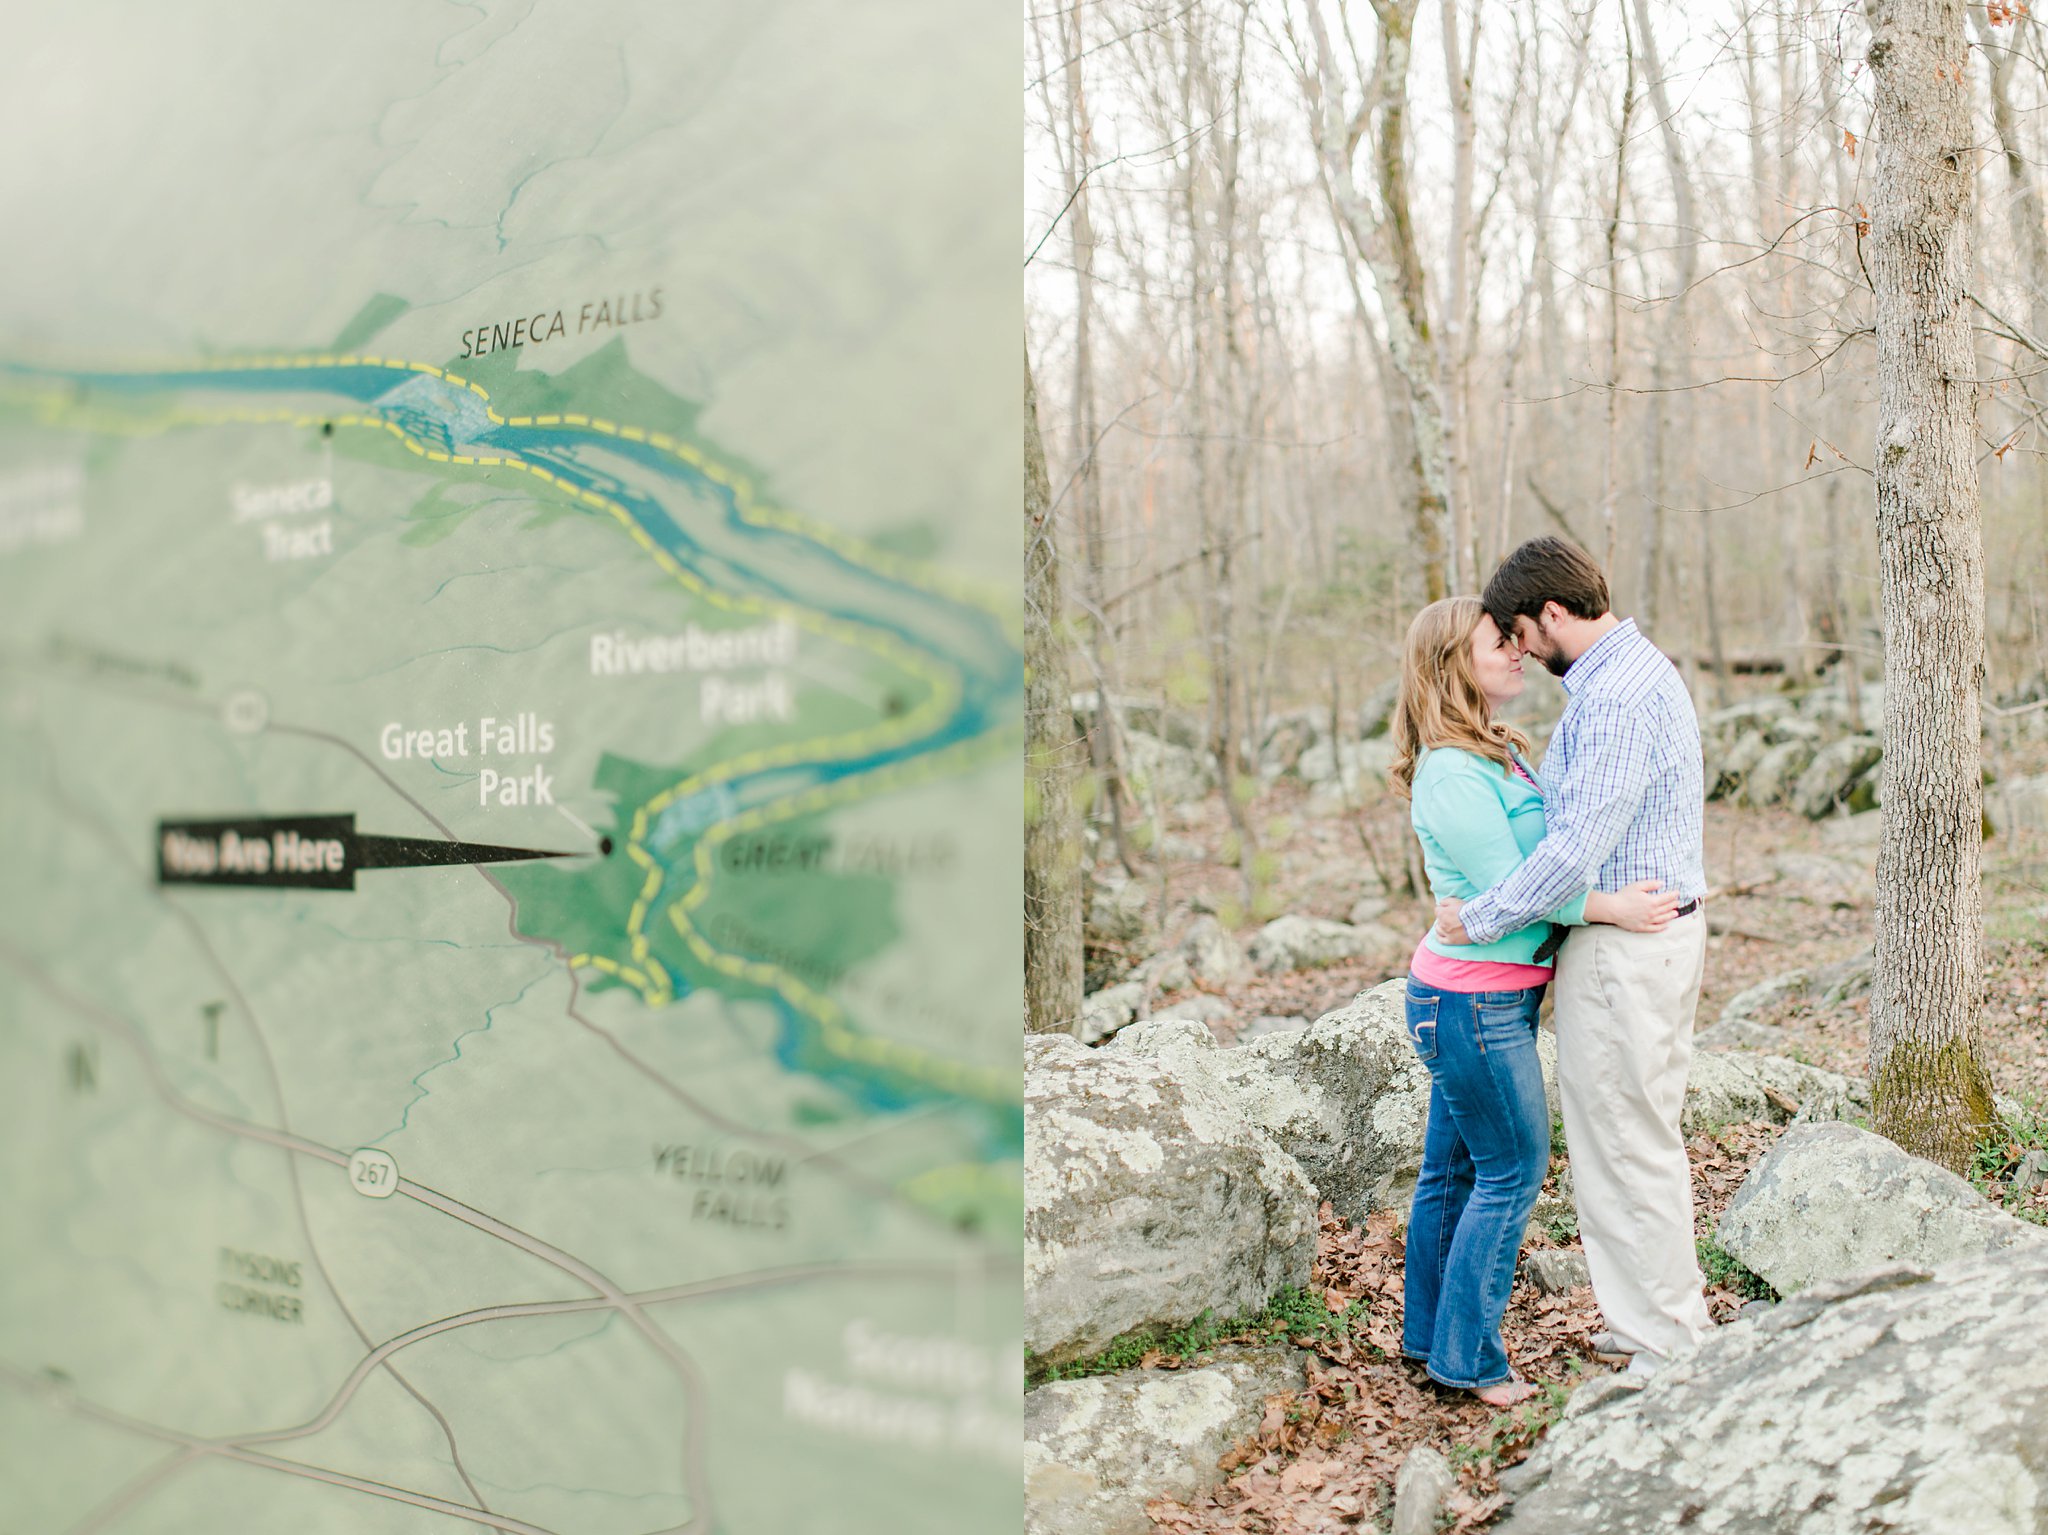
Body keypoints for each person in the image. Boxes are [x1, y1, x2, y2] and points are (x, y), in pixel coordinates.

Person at [1433, 536, 1712, 1379]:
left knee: (1629, 1141)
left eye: (1521, 632)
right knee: (1617, 1137)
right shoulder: (1622, 679)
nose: (1520, 650)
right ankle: (1641, 1320)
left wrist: (1475, 920)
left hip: (1630, 948)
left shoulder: (1617, 696)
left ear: (1553, 612)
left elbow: (1572, 850)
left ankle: (1671, 1342)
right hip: (1638, 937)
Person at [1391, 594, 1678, 1407]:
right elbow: (1515, 887)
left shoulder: (1493, 750)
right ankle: (1471, 1360)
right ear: (1453, 662)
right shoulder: (1450, 770)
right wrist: (1610, 907)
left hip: (1486, 1000)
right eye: (1497, 643)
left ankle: (1430, 1340)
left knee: (1452, 1175)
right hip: (1469, 1005)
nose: (1517, 651)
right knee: (1511, 1173)